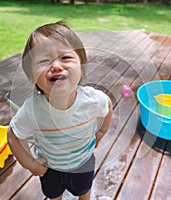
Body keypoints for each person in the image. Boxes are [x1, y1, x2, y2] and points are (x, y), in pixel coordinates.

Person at [7, 21, 113, 200]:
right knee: (53, 195)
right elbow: (13, 136)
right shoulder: (32, 110)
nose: (56, 66)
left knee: (84, 191)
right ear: (32, 76)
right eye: (44, 61)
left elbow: (108, 106)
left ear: (81, 64)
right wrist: (30, 164)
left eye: (65, 58)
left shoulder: (93, 100)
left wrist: (101, 131)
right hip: (50, 167)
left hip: (83, 162)